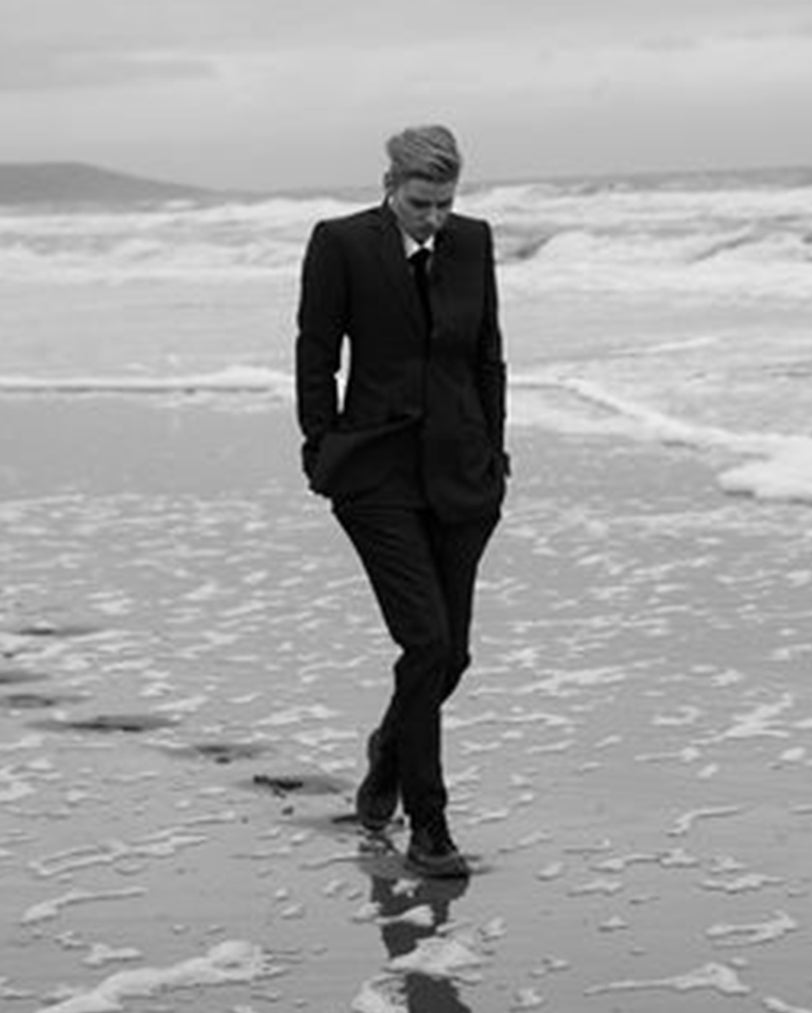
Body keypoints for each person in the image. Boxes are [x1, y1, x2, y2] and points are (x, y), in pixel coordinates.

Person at [294, 124, 509, 878]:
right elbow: (316, 352)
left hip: (462, 472)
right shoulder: (340, 244)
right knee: (425, 642)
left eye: (446, 203)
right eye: (422, 203)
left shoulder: (473, 242)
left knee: (452, 653)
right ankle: (430, 824)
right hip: (376, 474)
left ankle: (389, 750)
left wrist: (496, 456)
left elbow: (488, 354)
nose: (435, 218)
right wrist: (321, 449)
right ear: (390, 186)